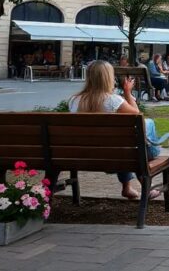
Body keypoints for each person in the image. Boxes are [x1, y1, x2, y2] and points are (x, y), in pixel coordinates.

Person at [68, 61, 159, 201]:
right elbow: (137, 116)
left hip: (84, 156)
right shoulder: (113, 100)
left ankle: (127, 188)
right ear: (108, 77)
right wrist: (128, 93)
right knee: (146, 127)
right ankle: (147, 182)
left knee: (121, 145)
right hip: (115, 156)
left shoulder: (74, 100)